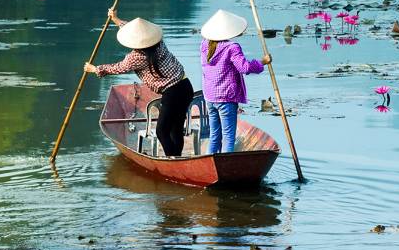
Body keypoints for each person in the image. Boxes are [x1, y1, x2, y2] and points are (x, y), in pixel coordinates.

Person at [85, 9, 193, 157]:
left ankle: (173, 161)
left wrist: (95, 69)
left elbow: (118, 68)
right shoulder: (160, 43)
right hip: (186, 86)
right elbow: (136, 32)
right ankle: (177, 158)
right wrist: (116, 19)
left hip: (172, 93)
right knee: (175, 128)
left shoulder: (136, 57)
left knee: (162, 131)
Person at [200, 9, 272, 154]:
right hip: (226, 98)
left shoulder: (204, 45)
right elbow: (245, 68)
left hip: (210, 96)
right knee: (228, 137)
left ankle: (211, 163)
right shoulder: (232, 48)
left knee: (215, 135)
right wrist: (262, 62)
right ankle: (226, 168)